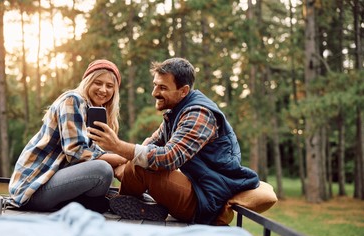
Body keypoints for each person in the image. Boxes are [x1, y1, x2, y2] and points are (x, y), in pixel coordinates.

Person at [88, 57, 277, 225]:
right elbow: (149, 145)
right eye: (155, 85)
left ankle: (127, 204)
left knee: (140, 165)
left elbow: (169, 157)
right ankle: (134, 204)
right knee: (137, 160)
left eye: (163, 88)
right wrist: (117, 157)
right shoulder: (176, 112)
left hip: (204, 200)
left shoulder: (198, 114)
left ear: (183, 91)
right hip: (195, 186)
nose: (154, 92)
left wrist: (117, 146)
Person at [8, 59, 127, 213]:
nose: (103, 90)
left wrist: (120, 162)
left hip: (52, 183)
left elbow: (92, 152)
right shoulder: (73, 100)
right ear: (87, 82)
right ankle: (97, 203)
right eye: (98, 83)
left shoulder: (91, 110)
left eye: (109, 86)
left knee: (106, 172)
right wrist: (123, 158)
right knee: (103, 170)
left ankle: (101, 202)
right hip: (33, 190)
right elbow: (76, 152)